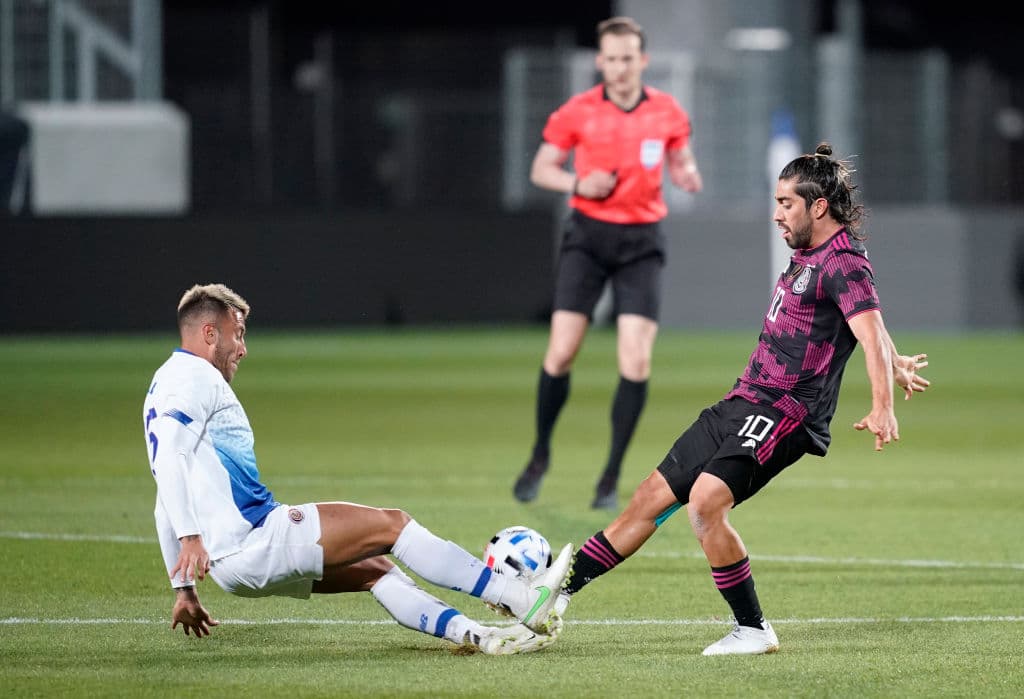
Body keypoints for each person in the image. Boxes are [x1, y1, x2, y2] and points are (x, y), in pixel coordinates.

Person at [552, 143, 931, 655]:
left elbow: (869, 330)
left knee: (706, 502)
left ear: (819, 206)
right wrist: (895, 359)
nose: (777, 214)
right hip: (742, 399)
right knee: (648, 497)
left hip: (786, 412)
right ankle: (555, 597)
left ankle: (753, 630)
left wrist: (883, 401)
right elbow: (861, 327)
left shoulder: (843, 262)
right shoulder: (810, 255)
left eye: (786, 204)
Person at [142, 283, 573, 654]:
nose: (243, 348)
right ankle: (519, 598)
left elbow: (164, 495)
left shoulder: (164, 384)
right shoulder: (197, 379)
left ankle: (478, 635)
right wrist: (190, 537)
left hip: (229, 568)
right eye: (238, 334)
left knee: (375, 570)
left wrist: (184, 589)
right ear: (209, 332)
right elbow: (171, 459)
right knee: (394, 526)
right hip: (258, 540)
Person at [513, 16, 703, 510]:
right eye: (611, 59)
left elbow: (681, 158)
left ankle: (611, 474)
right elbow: (541, 169)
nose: (620, 68)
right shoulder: (577, 112)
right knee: (560, 353)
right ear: (601, 62)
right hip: (588, 240)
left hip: (641, 242)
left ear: (642, 61)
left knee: (636, 360)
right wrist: (578, 183)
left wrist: (686, 172)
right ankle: (539, 455)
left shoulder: (666, 111)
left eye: (628, 58)